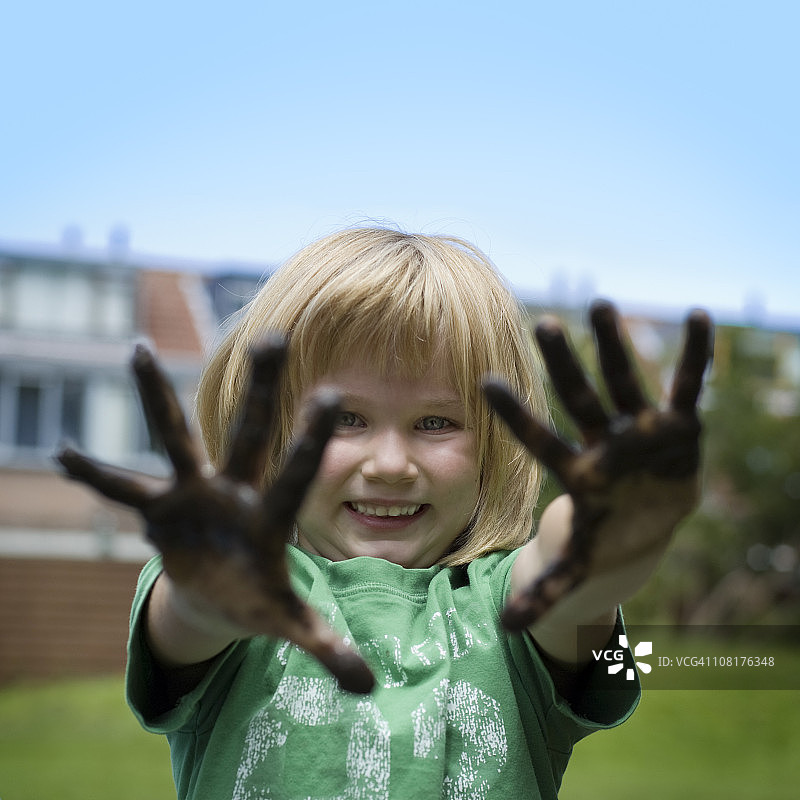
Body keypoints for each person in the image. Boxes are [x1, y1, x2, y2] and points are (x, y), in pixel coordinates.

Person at [57, 226, 712, 799]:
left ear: (496, 444)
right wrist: (206, 588)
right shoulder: (245, 585)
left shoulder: (504, 610)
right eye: (344, 418)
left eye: (436, 421)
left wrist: (611, 529)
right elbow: (190, 618)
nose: (391, 463)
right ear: (266, 431)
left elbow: (574, 583)